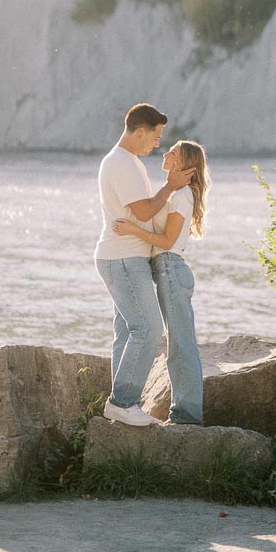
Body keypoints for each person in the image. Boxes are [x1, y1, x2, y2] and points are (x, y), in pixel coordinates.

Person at [94, 103, 193, 427]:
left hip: (126, 255)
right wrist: (171, 186)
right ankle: (122, 402)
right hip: (123, 257)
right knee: (148, 328)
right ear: (140, 131)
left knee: (126, 331)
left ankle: (123, 405)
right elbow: (146, 212)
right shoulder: (121, 164)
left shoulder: (128, 162)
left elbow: (144, 214)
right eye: (155, 136)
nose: (157, 143)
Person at [114, 139, 209, 426]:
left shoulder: (182, 197)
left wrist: (131, 229)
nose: (165, 153)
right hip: (162, 268)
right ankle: (131, 403)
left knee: (181, 343)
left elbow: (167, 242)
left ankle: (187, 414)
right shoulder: (174, 193)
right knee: (154, 333)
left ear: (182, 164)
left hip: (169, 268)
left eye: (173, 152)